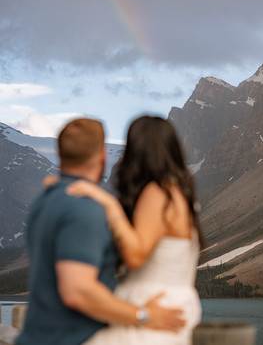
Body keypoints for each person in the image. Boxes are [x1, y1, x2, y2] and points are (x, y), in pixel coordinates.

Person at [16, 118, 186, 345]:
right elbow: (78, 291)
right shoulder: (85, 207)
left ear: (59, 153)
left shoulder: (43, 201)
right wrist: (143, 315)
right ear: (103, 156)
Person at [67, 115, 203, 345]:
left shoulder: (160, 193)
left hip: (154, 309)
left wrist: (109, 205)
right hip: (166, 306)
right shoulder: (178, 193)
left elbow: (135, 255)